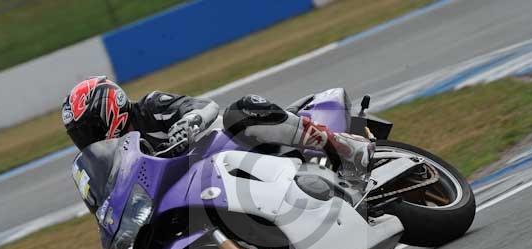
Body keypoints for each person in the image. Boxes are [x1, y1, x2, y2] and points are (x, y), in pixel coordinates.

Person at [62, 77, 374, 177]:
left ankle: (348, 148)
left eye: (88, 129)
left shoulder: (151, 107)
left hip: (232, 144)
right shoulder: (117, 163)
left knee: (240, 110)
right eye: (80, 134)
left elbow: (205, 106)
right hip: (204, 180)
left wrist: (187, 125)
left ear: (109, 110)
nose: (86, 139)